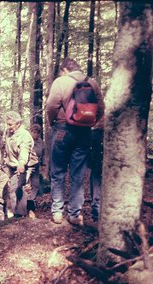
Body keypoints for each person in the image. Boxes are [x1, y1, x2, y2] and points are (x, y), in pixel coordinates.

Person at [46, 57, 104, 225]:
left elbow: (51, 106)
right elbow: (101, 107)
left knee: (58, 172)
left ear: (65, 69)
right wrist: (91, 122)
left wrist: (52, 123)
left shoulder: (60, 82)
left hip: (62, 130)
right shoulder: (92, 83)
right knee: (78, 175)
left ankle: (57, 212)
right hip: (84, 132)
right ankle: (74, 214)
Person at [3, 111, 39, 218]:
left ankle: (21, 215)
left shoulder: (24, 135)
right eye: (7, 124)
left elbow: (24, 150)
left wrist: (22, 163)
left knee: (22, 187)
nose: (8, 127)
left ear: (18, 124)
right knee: (13, 188)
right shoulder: (7, 132)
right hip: (12, 164)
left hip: (26, 165)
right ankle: (17, 214)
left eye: (10, 124)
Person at [89, 118, 104, 222]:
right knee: (96, 189)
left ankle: (97, 213)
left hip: (105, 167)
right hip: (96, 166)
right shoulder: (92, 134)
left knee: (97, 189)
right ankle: (96, 214)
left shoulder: (110, 134)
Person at [30, 124, 45, 197]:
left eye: (38, 133)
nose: (36, 134)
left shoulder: (40, 142)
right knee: (26, 183)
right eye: (34, 132)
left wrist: (43, 164)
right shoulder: (28, 140)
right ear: (31, 132)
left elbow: (43, 153)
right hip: (27, 166)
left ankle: (33, 199)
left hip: (36, 165)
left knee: (36, 183)